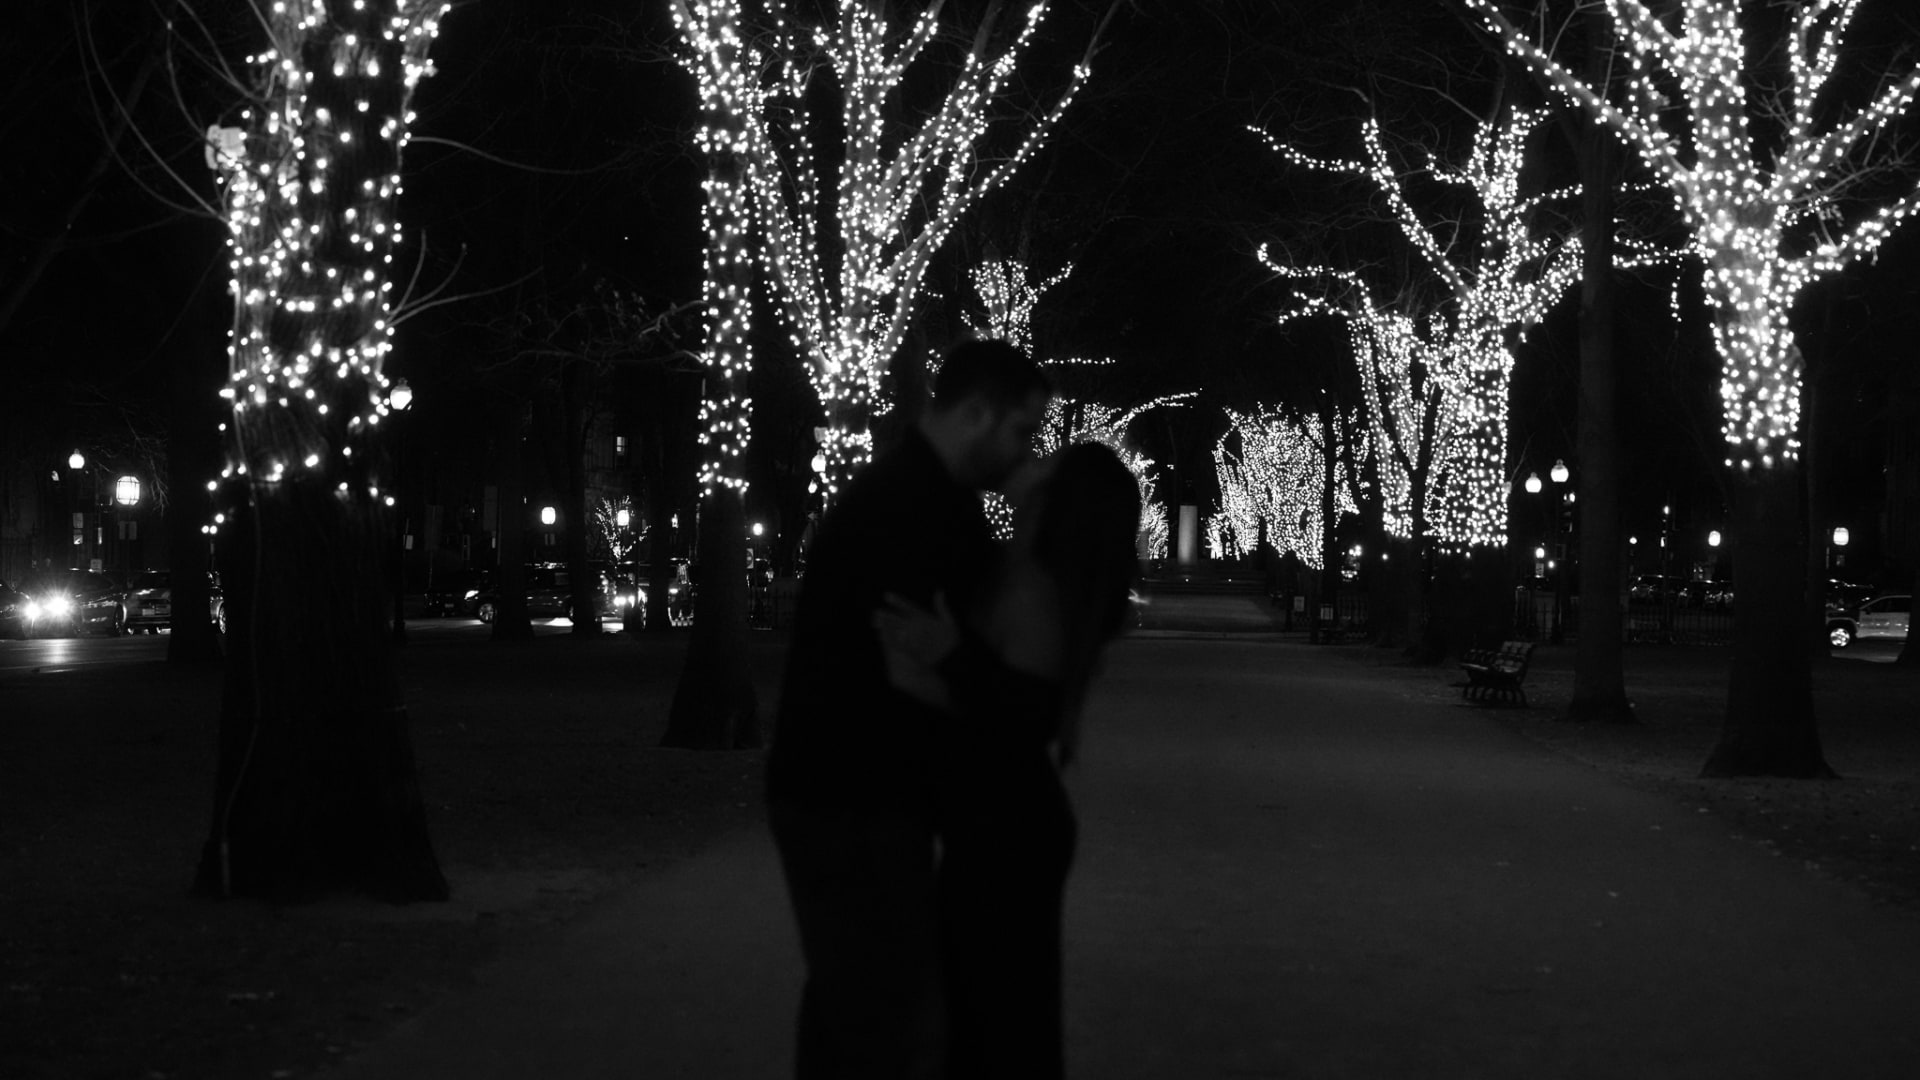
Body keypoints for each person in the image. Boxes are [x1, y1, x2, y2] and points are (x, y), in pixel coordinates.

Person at [767, 338, 1051, 1079]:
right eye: (1022, 431)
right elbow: (916, 668)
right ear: (977, 413)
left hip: (846, 790)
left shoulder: (918, 497)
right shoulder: (913, 510)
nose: (1027, 453)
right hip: (855, 796)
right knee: (892, 1018)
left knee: (852, 1006)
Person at [874, 440, 1143, 1080]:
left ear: (1058, 503)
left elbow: (1021, 717)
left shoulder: (1034, 593)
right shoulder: (1043, 585)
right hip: (1011, 826)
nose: (1032, 463)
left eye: (1050, 467)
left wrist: (945, 656)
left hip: (1004, 832)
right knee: (1007, 1018)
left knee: (994, 1023)